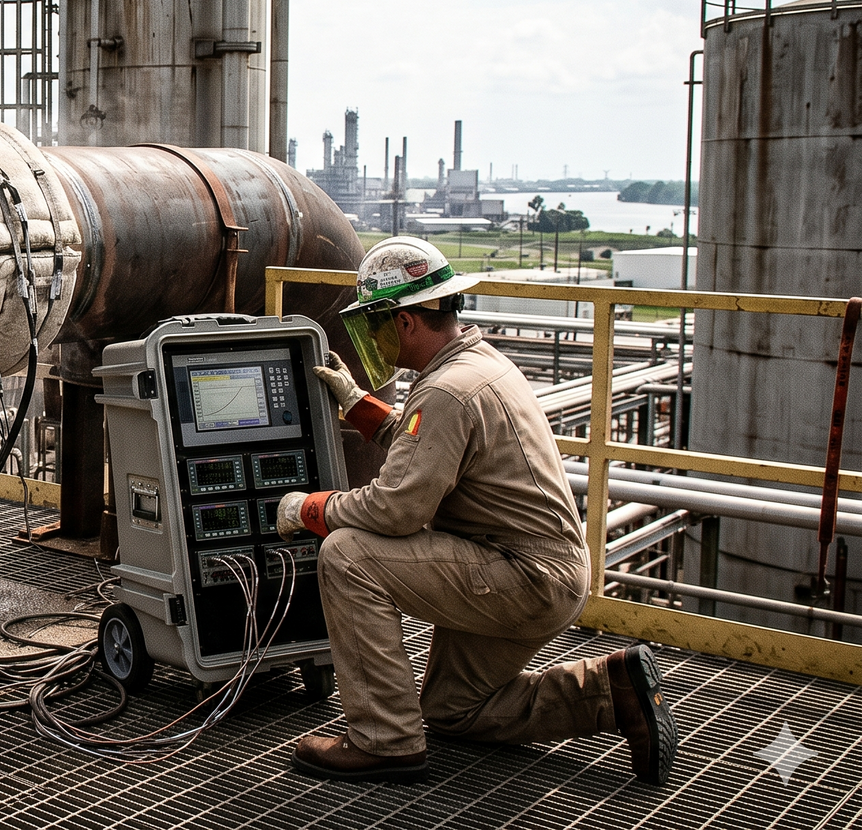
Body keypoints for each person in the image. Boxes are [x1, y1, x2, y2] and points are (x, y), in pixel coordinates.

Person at [275, 236, 679, 785]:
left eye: (375, 323)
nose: (372, 337)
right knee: (451, 711)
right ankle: (612, 691)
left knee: (348, 555)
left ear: (406, 322)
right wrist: (357, 403)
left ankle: (384, 740)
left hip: (520, 574)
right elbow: (427, 448)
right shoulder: (477, 364)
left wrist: (309, 508)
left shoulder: (445, 391)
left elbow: (396, 509)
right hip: (544, 572)